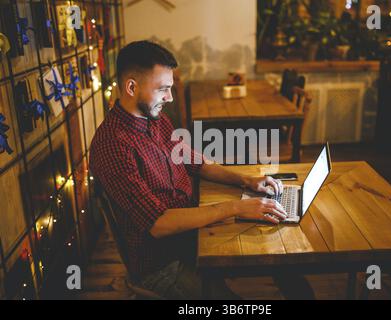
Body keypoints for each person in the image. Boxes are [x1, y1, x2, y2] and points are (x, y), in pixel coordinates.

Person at [89, 41, 314, 299]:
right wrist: (234, 208)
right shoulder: (113, 145)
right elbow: (158, 223)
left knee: (282, 255)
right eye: (163, 89)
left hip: (193, 232)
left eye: (170, 88)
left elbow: (194, 160)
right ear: (131, 87)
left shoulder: (155, 118)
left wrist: (246, 181)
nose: (170, 98)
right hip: (161, 262)